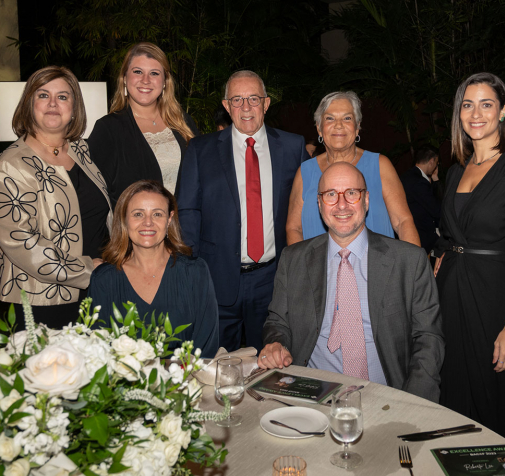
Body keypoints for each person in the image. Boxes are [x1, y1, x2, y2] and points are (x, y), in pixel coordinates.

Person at [259, 162, 444, 401]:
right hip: (312, 396)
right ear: (319, 204)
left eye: (352, 193)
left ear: (366, 200)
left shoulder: (409, 261)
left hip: (387, 398)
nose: (342, 204)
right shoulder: (293, 259)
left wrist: (414, 403)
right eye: (331, 194)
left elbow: (429, 338)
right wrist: (276, 343)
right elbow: (277, 322)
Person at [433, 73, 505, 449]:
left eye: (486, 104)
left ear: (503, 112)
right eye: (467, 105)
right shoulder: (454, 172)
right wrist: (443, 254)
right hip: (452, 298)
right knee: (455, 393)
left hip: (496, 299)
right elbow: (451, 233)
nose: (476, 113)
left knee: (498, 396)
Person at [177, 70, 309, 352]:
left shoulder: (292, 146)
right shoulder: (200, 150)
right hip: (216, 280)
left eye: (253, 99)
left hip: (273, 282)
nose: (246, 107)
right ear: (227, 106)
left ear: (266, 103)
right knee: (215, 366)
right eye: (237, 99)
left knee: (272, 364)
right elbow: (187, 212)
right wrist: (192, 273)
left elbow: (306, 209)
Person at [0, 66, 112, 328]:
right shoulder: (11, 164)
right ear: (29, 104)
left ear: (74, 108)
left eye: (62, 96)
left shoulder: (81, 151)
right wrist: (87, 269)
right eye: (43, 95)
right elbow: (21, 242)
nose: (53, 103)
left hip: (96, 291)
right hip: (39, 299)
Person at [88, 180, 219, 357]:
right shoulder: (104, 279)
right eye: (138, 214)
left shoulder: (195, 272)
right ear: (124, 220)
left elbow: (206, 347)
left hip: (189, 374)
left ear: (169, 219)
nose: (148, 222)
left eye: (157, 214)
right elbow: (97, 350)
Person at [286, 91, 420, 246]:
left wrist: (414, 261)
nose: (338, 125)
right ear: (319, 128)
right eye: (330, 118)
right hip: (317, 261)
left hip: (378, 261)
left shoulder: (380, 165)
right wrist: (301, 262)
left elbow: (403, 221)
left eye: (347, 118)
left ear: (357, 127)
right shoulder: (305, 172)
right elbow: (294, 228)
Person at [88, 42, 199, 204]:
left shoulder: (183, 122)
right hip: (132, 220)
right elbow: (95, 195)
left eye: (154, 73)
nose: (145, 80)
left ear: (165, 82)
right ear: (124, 78)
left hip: (183, 219)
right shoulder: (108, 129)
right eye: (138, 72)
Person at [400, 147, 443, 254]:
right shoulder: (419, 181)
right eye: (437, 163)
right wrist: (437, 181)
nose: (436, 166)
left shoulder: (407, 176)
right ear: (431, 161)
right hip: (422, 238)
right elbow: (437, 210)